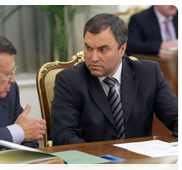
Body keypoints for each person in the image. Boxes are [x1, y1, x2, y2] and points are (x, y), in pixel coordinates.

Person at [51, 13, 180, 146]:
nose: (93, 57)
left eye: (103, 49)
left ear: (122, 49)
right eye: (88, 48)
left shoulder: (148, 73)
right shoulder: (68, 80)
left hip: (139, 162)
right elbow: (64, 136)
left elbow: (176, 116)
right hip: (94, 163)